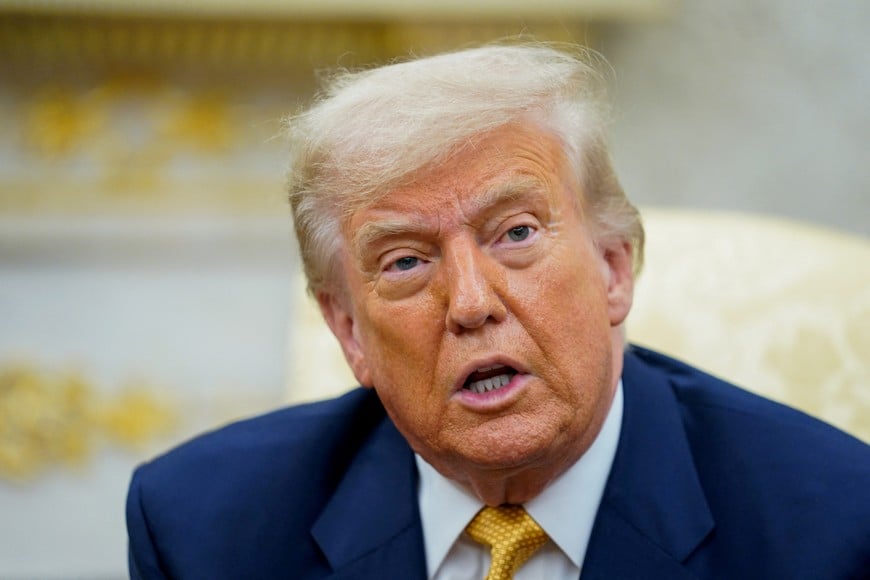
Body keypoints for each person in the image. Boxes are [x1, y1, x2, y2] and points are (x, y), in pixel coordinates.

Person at [126, 43, 870, 579]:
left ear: (614, 269)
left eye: (515, 234)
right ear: (349, 331)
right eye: (407, 261)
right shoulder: (201, 530)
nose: (472, 306)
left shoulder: (835, 529)